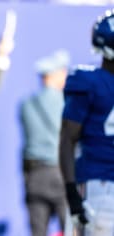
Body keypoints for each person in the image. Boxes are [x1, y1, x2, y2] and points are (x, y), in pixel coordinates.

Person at [59, 9, 114, 236]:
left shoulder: (87, 81)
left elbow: (67, 140)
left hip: (98, 187)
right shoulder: (91, 83)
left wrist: (72, 193)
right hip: (101, 185)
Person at [19, 49, 70, 236]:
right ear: (54, 75)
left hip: (36, 175)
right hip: (63, 175)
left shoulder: (26, 105)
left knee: (38, 231)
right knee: (71, 228)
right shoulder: (68, 104)